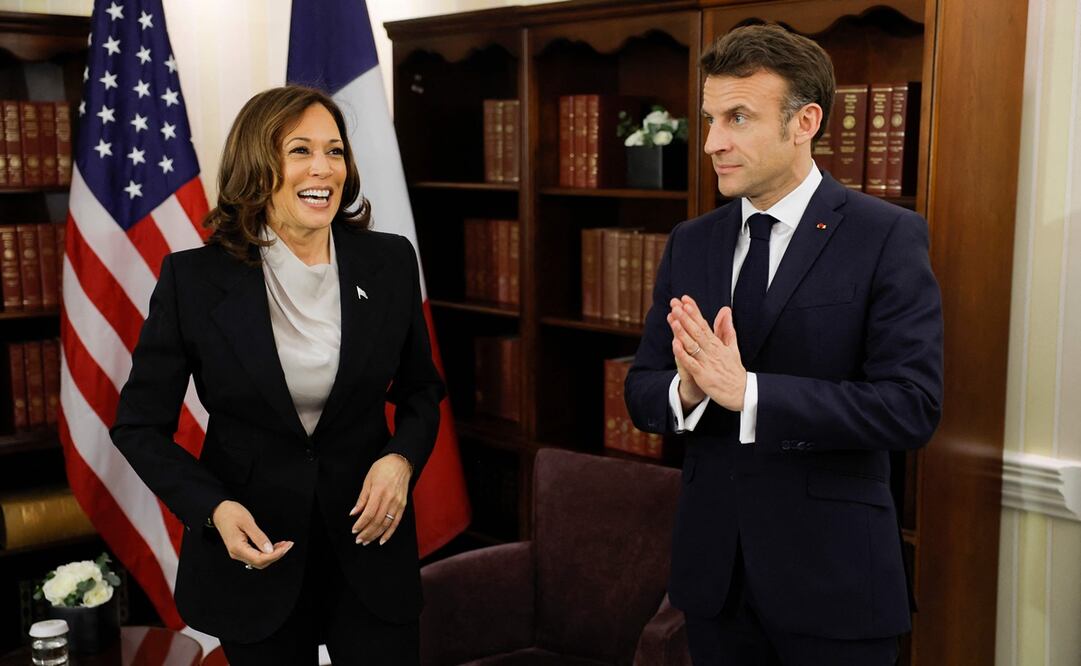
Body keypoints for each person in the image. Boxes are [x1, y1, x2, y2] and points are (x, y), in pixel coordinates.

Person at [624, 24, 943, 666]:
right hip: (716, 582)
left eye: (738, 117)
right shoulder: (693, 240)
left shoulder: (887, 236)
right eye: (710, 118)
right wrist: (685, 389)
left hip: (836, 583)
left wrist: (750, 395)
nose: (713, 142)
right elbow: (642, 390)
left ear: (805, 122)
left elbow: (910, 406)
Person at [110, 85, 443, 665]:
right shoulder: (193, 280)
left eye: (335, 151)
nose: (324, 169)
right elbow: (138, 426)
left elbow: (420, 391)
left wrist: (402, 459)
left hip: (370, 551)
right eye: (300, 150)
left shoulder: (389, 261)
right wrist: (213, 511)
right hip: (255, 553)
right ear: (257, 166)